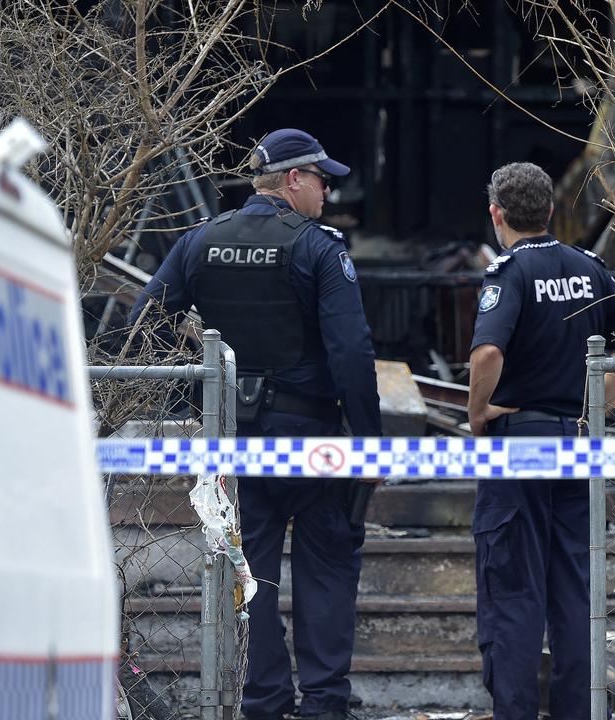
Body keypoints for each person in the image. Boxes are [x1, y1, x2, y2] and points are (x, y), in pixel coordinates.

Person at [129, 128, 381, 720]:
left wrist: (199, 394)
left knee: (250, 570)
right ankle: (323, 704)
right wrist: (369, 444)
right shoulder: (319, 247)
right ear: (293, 179)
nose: (327, 193)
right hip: (310, 439)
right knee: (326, 566)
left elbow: (143, 323)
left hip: (234, 441)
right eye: (321, 180)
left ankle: (263, 699)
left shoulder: (199, 242)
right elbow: (351, 352)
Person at [467, 162, 615, 720]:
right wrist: (597, 395)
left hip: (517, 448)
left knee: (513, 592)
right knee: (574, 593)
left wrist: (479, 414)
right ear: (550, 211)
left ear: (497, 214)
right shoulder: (589, 268)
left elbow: (487, 353)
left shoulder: (508, 273)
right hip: (577, 444)